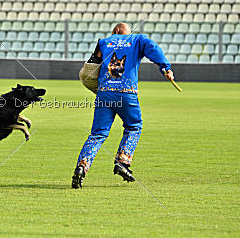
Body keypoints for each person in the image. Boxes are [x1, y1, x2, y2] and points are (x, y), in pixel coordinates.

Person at [72, 22, 174, 189]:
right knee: (134, 126)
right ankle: (122, 162)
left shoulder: (104, 42)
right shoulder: (138, 40)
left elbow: (90, 67)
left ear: (115, 31)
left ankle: (82, 166)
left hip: (104, 92)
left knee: (97, 134)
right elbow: (153, 49)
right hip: (127, 92)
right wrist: (165, 68)